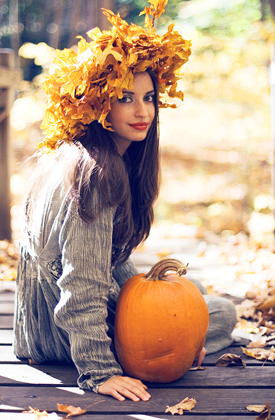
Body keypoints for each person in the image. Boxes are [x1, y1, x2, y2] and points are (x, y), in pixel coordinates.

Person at [14, 0, 237, 403]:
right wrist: (99, 372)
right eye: (124, 98)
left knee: (191, 290)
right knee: (220, 312)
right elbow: (81, 282)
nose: (142, 111)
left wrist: (160, 303)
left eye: (149, 97)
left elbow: (106, 261)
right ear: (99, 102)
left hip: (39, 322)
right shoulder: (95, 174)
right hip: (56, 335)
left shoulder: (76, 153)